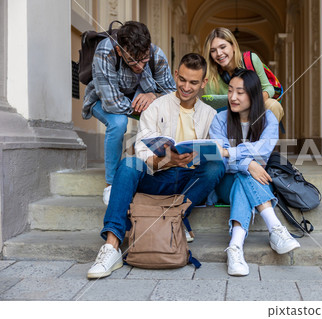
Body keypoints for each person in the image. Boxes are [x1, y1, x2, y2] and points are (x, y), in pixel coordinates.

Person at [87, 53, 225, 279]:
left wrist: (199, 156)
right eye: (182, 80)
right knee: (129, 163)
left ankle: (177, 215)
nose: (186, 87)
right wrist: (167, 161)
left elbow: (219, 151)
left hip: (190, 184)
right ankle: (111, 247)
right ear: (176, 75)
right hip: (159, 177)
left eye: (193, 83)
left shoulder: (211, 115)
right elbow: (141, 150)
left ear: (203, 83)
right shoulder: (157, 107)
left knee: (215, 167)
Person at [209, 69, 299, 276]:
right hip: (225, 182)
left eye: (240, 92)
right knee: (246, 172)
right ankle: (275, 229)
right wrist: (248, 163)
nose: (233, 97)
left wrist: (240, 160)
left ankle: (235, 247)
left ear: (253, 94)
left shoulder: (268, 119)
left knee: (245, 175)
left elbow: (261, 154)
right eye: (230, 91)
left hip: (250, 180)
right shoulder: (220, 119)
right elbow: (219, 158)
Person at [82, 21, 176, 205]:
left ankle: (159, 173)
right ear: (119, 51)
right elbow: (111, 102)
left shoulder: (156, 55)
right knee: (118, 123)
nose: (140, 66)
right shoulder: (105, 52)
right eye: (132, 60)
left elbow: (171, 94)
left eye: (143, 59)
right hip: (102, 99)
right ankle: (111, 183)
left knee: (165, 116)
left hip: (137, 98)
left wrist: (153, 97)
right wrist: (144, 105)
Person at [202, 27, 284, 122]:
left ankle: (267, 136)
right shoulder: (209, 74)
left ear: (233, 46)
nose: (219, 53)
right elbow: (212, 108)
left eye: (223, 47)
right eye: (213, 50)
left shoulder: (251, 60)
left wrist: (254, 102)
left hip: (254, 109)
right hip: (228, 115)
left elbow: (269, 88)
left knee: (273, 105)